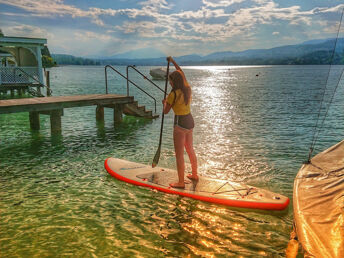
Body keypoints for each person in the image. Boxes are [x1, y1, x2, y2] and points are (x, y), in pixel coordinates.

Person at [162, 56, 198, 188]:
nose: (169, 83)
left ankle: (181, 182)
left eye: (170, 81)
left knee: (179, 155)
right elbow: (180, 72)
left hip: (180, 124)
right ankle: (194, 174)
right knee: (190, 149)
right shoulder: (187, 89)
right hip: (190, 121)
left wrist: (165, 103)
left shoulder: (173, 94)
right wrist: (173, 62)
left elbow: (165, 112)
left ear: (174, 81)